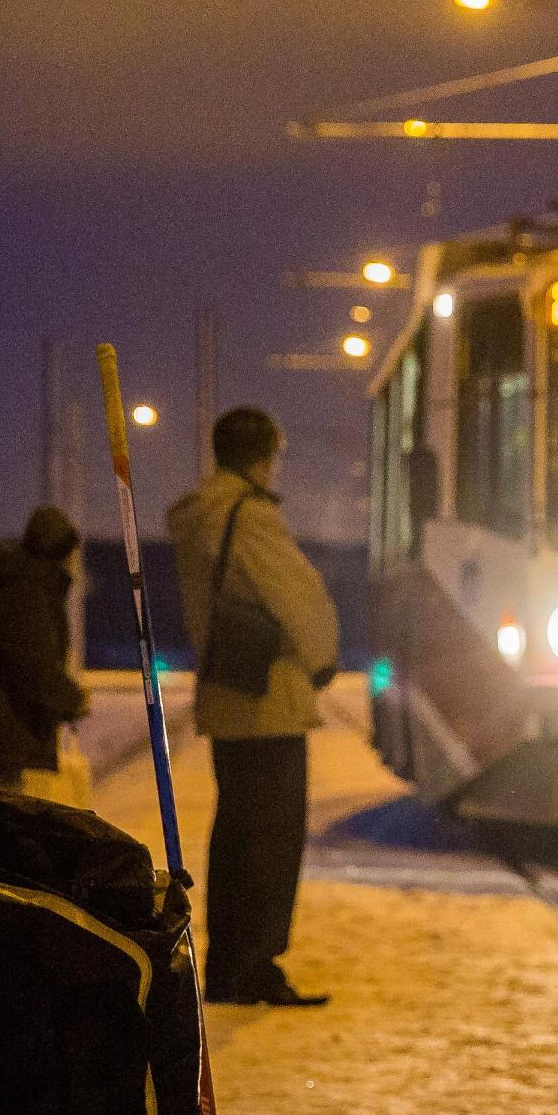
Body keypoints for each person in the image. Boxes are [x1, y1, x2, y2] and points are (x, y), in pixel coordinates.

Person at [167, 407, 339, 1007]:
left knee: (238, 829)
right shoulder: (251, 515)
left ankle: (227, 962)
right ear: (267, 453)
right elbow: (297, 595)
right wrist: (323, 657)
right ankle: (255, 964)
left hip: (228, 690)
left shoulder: (202, 515)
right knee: (273, 834)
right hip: (268, 694)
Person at [0, 505, 92, 796]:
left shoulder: (25, 586)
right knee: (7, 822)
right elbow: (32, 666)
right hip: (5, 738)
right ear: (64, 553)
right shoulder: (27, 594)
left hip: (5, 735)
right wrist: (72, 698)